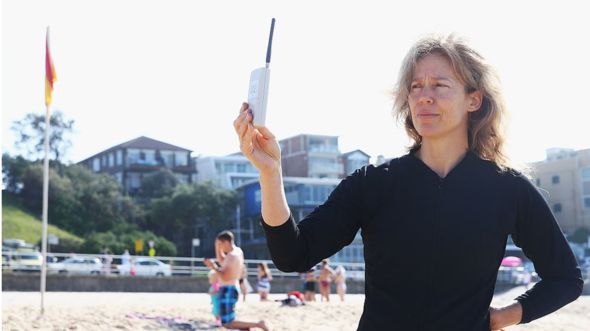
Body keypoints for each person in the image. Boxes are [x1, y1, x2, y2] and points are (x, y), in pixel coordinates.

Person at [233, 34, 583, 330]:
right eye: (416, 87)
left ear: (473, 99)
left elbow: (565, 278)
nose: (423, 96)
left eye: (439, 85)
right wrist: (270, 173)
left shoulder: (508, 189)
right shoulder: (373, 184)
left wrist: (505, 316)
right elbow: (293, 254)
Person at [203, 231, 268, 331]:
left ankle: (259, 324)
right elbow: (222, 261)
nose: (221, 248)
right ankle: (251, 326)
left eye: (221, 244)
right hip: (231, 287)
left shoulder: (232, 256)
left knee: (228, 322)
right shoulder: (237, 252)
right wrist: (217, 245)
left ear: (226, 242)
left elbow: (225, 277)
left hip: (228, 289)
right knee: (227, 321)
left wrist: (213, 266)